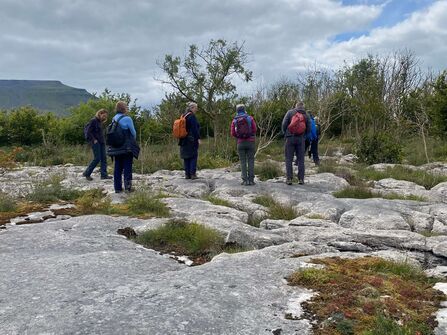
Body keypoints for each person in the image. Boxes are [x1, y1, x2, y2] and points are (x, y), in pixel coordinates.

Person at [107, 101, 139, 193]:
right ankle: (128, 188)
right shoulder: (127, 118)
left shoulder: (114, 118)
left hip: (116, 147)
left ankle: (117, 188)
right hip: (126, 147)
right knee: (127, 167)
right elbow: (133, 133)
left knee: (117, 167)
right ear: (124, 108)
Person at [281, 101, 311, 185]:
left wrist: (285, 133)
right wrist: (304, 136)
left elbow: (284, 124)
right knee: (301, 159)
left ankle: (289, 179)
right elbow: (309, 129)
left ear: (296, 106)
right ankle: (301, 179)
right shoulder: (306, 115)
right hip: (301, 139)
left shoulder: (290, 112)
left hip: (290, 138)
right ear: (303, 107)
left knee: (288, 159)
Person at [230, 104, 257, 186]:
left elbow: (232, 133)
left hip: (240, 143)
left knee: (242, 161)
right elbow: (255, 129)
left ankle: (245, 180)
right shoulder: (250, 118)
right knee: (251, 160)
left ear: (237, 110)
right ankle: (251, 180)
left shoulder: (234, 120)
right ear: (244, 109)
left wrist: (239, 137)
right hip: (250, 142)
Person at [83, 109, 111, 181]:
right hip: (96, 143)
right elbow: (88, 132)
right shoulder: (93, 121)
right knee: (97, 158)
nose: (104, 117)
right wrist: (94, 140)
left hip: (101, 142)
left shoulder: (99, 122)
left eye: (106, 116)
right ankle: (87, 173)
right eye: (103, 115)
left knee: (104, 158)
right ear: (99, 114)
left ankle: (104, 175)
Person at [179, 102, 200, 179]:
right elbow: (195, 129)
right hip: (191, 140)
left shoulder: (183, 116)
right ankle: (193, 174)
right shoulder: (191, 116)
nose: (196, 110)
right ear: (192, 108)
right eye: (196, 108)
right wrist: (198, 138)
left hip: (183, 140)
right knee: (193, 156)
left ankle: (187, 174)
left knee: (186, 157)